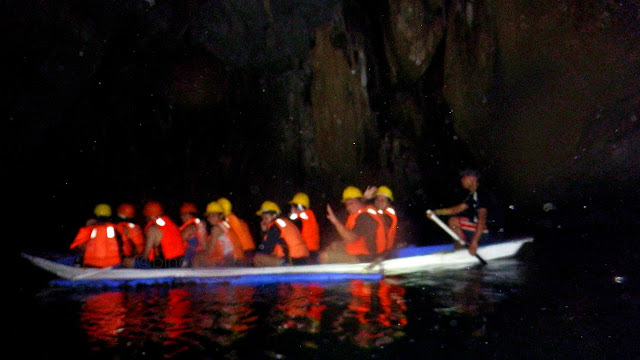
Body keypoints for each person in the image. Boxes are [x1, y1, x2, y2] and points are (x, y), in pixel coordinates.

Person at [426, 169, 490, 255]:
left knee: (453, 221)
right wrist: (436, 212)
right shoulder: (473, 195)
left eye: (464, 177)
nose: (461, 180)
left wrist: (475, 242)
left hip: (487, 232)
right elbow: (455, 210)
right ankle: (462, 246)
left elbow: (482, 219)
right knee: (455, 220)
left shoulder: (482, 193)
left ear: (473, 179)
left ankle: (462, 249)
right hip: (481, 231)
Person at [319, 186, 388, 264]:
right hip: (361, 251)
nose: (348, 207)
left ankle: (332, 276)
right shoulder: (358, 213)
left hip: (367, 258)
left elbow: (351, 238)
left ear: (360, 202)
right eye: (347, 204)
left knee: (324, 256)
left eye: (351, 203)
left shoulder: (365, 217)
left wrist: (334, 221)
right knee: (333, 245)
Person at [124, 201, 185, 268]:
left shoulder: (152, 229)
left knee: (127, 262)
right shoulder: (170, 223)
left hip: (164, 265)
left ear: (150, 216)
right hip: (178, 261)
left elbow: (145, 256)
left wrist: (136, 258)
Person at [254, 201, 309, 266]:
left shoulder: (275, 226)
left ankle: (284, 267)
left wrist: (264, 232)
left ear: (274, 215)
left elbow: (266, 249)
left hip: (292, 260)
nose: (263, 221)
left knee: (258, 258)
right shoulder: (286, 222)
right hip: (303, 259)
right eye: (262, 218)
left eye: (266, 218)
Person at [69, 203, 123, 268]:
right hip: (112, 265)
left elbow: (77, 245)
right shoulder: (116, 228)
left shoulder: (90, 228)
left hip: (92, 265)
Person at [192, 201, 244, 267]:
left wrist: (202, 234)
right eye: (209, 215)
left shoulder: (216, 228)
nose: (210, 218)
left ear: (221, 216)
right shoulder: (224, 225)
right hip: (235, 260)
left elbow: (209, 252)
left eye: (213, 215)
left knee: (197, 257)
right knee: (200, 256)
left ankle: (194, 277)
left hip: (231, 262)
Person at [217, 197, 256, 263]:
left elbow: (237, 239)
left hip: (244, 253)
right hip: (248, 251)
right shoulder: (233, 219)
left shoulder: (230, 220)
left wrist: (239, 256)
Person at [288, 192, 321, 263]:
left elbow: (292, 218)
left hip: (306, 254)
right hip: (312, 253)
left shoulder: (302, 217)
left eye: (293, 206)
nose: (291, 209)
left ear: (299, 207)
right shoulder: (309, 217)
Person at [363, 185, 398, 250]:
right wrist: (364, 199)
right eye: (377, 199)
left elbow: (367, 217)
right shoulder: (376, 212)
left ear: (388, 203)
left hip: (383, 255)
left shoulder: (388, 215)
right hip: (375, 254)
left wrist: (365, 200)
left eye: (383, 200)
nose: (379, 202)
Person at [178, 202, 207, 266]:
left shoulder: (190, 228)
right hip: (196, 257)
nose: (181, 217)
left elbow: (177, 242)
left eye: (183, 214)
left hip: (190, 258)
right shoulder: (198, 225)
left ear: (190, 215)